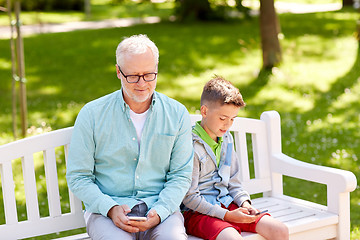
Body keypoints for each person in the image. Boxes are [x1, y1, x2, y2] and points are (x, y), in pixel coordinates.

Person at [66, 34, 194, 240]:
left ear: (157, 70)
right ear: (118, 72)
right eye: (133, 76)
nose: (142, 83)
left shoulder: (177, 114)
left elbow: (181, 175)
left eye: (149, 75)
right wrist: (110, 208)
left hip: (160, 210)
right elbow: (78, 177)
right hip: (106, 213)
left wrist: (161, 210)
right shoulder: (92, 115)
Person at [182, 76, 289, 240]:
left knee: (279, 230)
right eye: (223, 118)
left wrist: (245, 204)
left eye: (232, 119)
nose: (227, 125)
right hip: (198, 213)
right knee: (232, 238)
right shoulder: (190, 146)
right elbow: (189, 197)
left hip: (227, 203)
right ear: (204, 111)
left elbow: (233, 182)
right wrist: (227, 216)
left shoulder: (227, 139)